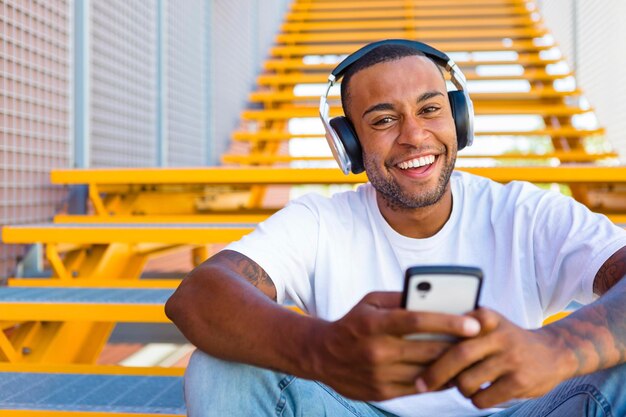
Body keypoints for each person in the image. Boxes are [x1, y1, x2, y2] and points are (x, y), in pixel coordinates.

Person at [165, 40, 626, 417]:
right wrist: (319, 349)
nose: (414, 136)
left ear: (458, 119)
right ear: (348, 144)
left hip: (524, 411)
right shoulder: (320, 222)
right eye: (384, 120)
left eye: (430, 109)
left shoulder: (524, 211)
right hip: (358, 410)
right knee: (220, 365)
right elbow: (199, 295)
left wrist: (557, 348)